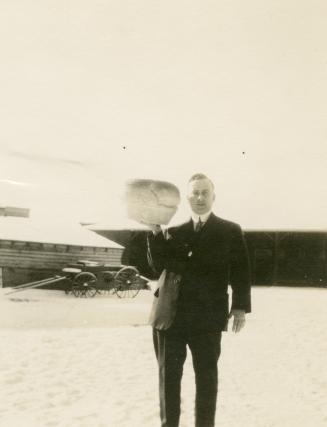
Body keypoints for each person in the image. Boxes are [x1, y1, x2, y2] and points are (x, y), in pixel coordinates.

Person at [130, 173, 251, 427]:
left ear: (213, 197)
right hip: (170, 317)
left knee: (207, 379)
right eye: (194, 193)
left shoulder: (230, 230)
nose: (199, 197)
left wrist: (239, 307)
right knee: (168, 378)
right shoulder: (173, 232)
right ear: (187, 198)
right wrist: (154, 233)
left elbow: (241, 270)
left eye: (204, 192)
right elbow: (157, 268)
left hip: (207, 318)